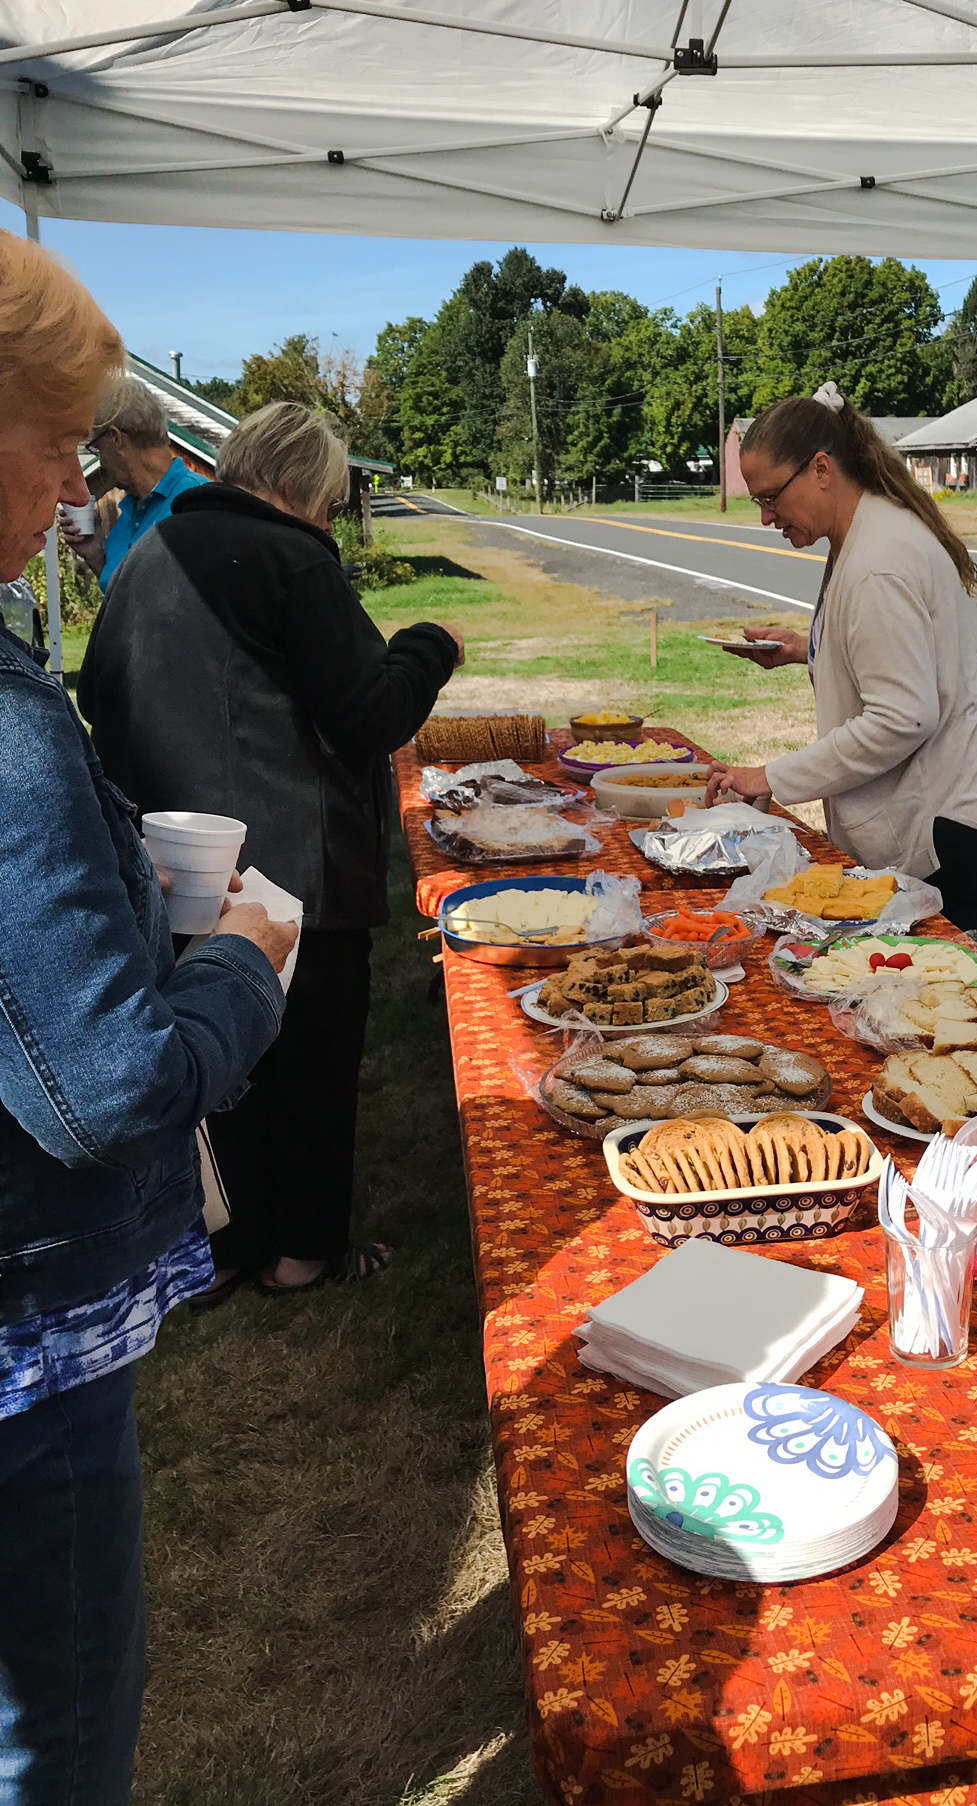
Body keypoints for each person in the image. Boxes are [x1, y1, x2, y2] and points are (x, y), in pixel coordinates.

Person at [0, 231, 297, 1806]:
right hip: (22, 1333)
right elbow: (111, 1084)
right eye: (51, 444)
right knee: (51, 1729)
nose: (72, 486)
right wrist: (238, 957)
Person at [80, 402, 464, 1300]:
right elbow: (370, 712)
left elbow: (101, 687)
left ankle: (221, 1245)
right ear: (298, 488)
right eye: (331, 503)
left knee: (217, 1064)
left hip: (178, 862)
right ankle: (303, 1251)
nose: (330, 519)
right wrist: (428, 648)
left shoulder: (147, 558)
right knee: (311, 1066)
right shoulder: (290, 558)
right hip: (296, 869)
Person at [703, 382, 977, 937]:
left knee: (935, 962)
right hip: (969, 779)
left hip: (954, 800)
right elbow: (888, 654)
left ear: (822, 469)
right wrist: (806, 649)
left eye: (770, 496)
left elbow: (903, 715)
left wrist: (772, 776)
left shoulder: (879, 560)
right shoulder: (866, 529)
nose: (765, 517)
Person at [57, 374, 206, 590]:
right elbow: (124, 601)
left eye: (98, 448)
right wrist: (96, 555)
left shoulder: (196, 502)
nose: (102, 462)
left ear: (116, 438)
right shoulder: (129, 511)